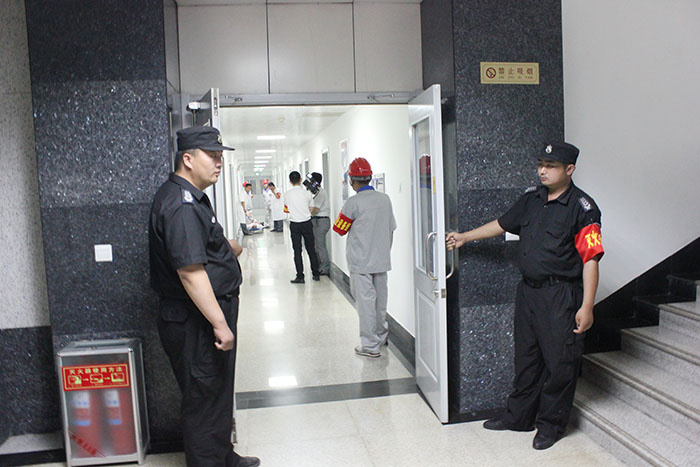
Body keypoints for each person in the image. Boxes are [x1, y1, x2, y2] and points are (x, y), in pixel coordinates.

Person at [446, 142, 604, 450]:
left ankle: (551, 426)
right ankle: (518, 417)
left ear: (569, 170)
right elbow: (502, 224)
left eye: (551, 166)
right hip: (529, 292)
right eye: (541, 164)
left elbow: (591, 259)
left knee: (560, 363)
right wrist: (465, 236)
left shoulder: (583, 208)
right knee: (527, 358)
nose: (543, 171)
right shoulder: (532, 199)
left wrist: (587, 306)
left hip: (561, 295)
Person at [148, 126, 260, 467]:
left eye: (220, 156)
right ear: (187, 159)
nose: (218, 163)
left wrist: (228, 249)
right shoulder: (181, 205)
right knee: (203, 399)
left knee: (216, 393)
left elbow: (203, 244)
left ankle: (223, 456)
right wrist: (220, 324)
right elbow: (190, 272)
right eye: (212, 156)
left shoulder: (192, 198)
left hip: (203, 314)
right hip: (195, 320)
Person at [333, 158, 396, 358]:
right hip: (381, 260)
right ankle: (381, 336)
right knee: (380, 303)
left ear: (352, 180)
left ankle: (369, 345)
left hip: (361, 263)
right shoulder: (385, 199)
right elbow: (391, 228)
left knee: (366, 304)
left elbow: (339, 229)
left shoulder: (353, 202)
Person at [284, 171, 320, 283]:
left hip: (294, 224)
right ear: (300, 180)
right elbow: (311, 208)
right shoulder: (307, 194)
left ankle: (300, 276)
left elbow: (286, 209)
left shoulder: (287, 194)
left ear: (290, 182)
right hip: (307, 223)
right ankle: (316, 274)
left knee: (297, 251)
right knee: (311, 249)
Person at [309, 172, 331, 276]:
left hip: (321, 221)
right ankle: (319, 266)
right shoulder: (317, 193)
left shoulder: (321, 193)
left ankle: (325, 268)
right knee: (316, 245)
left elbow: (315, 210)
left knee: (320, 245)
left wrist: (305, 214)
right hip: (317, 220)